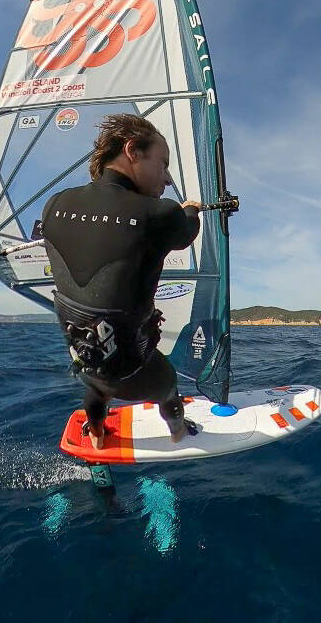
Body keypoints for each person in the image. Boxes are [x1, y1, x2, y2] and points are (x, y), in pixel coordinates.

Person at [40, 113, 201, 449]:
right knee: (167, 383)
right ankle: (178, 432)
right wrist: (190, 209)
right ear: (133, 151)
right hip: (134, 372)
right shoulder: (162, 214)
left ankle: (97, 434)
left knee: (98, 382)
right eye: (163, 163)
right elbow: (187, 231)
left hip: (83, 362)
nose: (167, 178)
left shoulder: (54, 205)